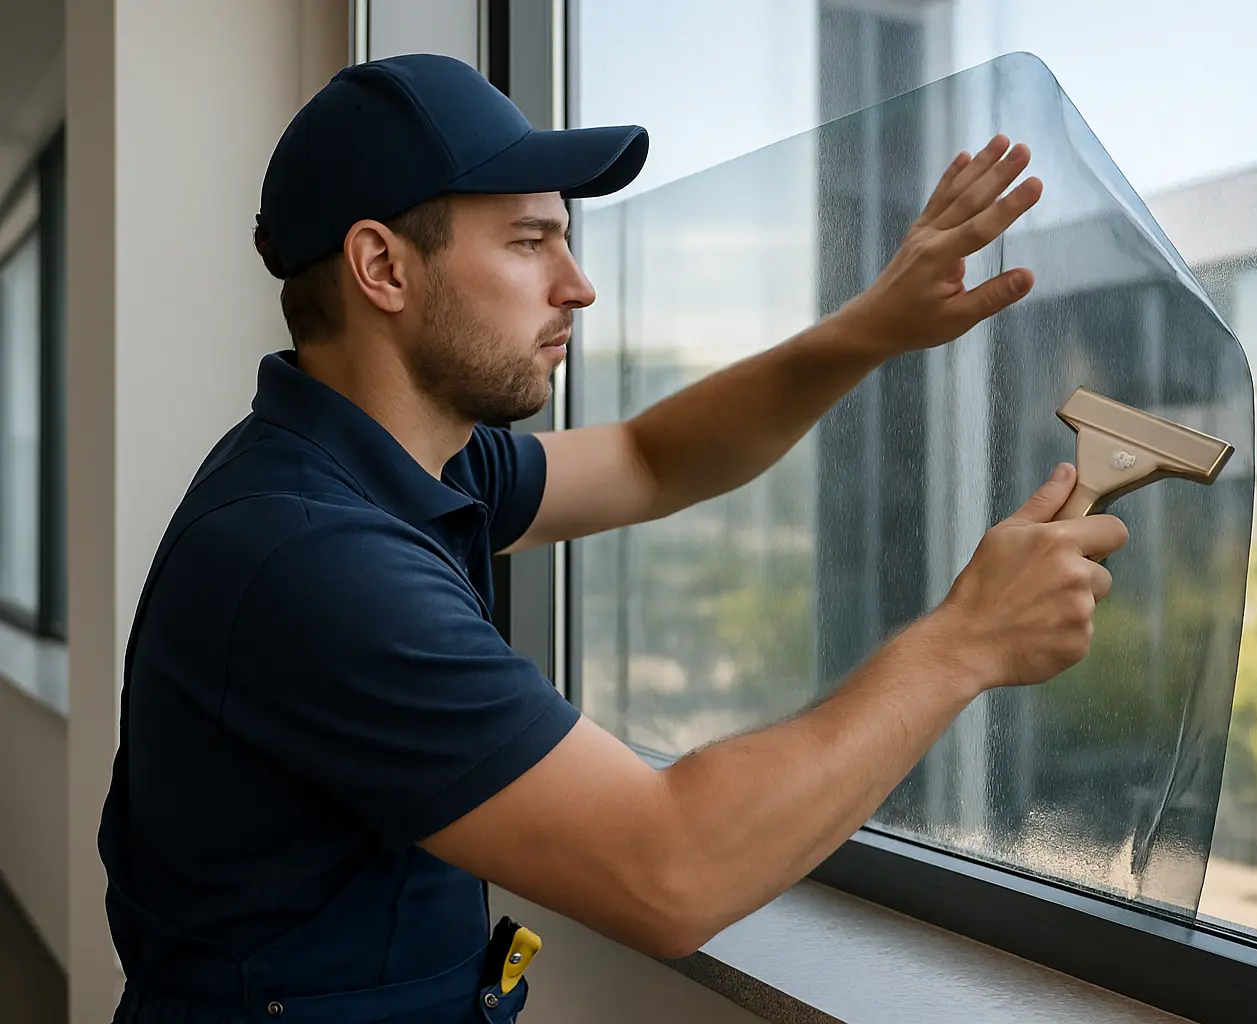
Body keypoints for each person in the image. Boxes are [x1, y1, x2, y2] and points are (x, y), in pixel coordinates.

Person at [99, 53, 1128, 1023]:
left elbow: (650, 457)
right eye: (530, 240)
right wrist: (962, 643)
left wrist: (872, 326)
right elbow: (672, 870)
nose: (578, 284)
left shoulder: (408, 467)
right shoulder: (314, 559)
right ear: (383, 267)